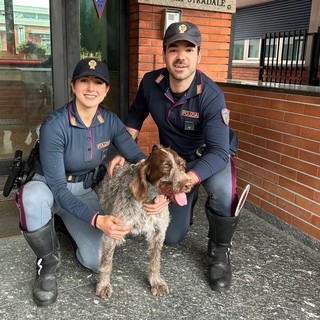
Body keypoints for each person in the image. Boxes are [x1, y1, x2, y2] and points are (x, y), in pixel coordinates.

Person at [109, 22, 244, 292]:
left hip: (208, 159)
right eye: (174, 49)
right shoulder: (151, 83)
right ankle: (187, 203)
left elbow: (219, 151)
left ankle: (219, 252)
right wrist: (122, 153)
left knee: (224, 192)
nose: (181, 56)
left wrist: (183, 183)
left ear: (198, 56)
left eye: (188, 49)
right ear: (165, 55)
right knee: (171, 237)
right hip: (173, 163)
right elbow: (134, 120)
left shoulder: (211, 95)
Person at [16, 58, 146, 307]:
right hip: (49, 188)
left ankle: (63, 226)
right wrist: (97, 219)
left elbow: (138, 158)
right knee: (32, 197)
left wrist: (158, 193)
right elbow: (57, 188)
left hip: (82, 189)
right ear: (73, 85)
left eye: (98, 82)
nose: (91, 88)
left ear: (106, 90)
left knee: (97, 262)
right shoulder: (55, 124)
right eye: (84, 80)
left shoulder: (109, 121)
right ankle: (47, 263)